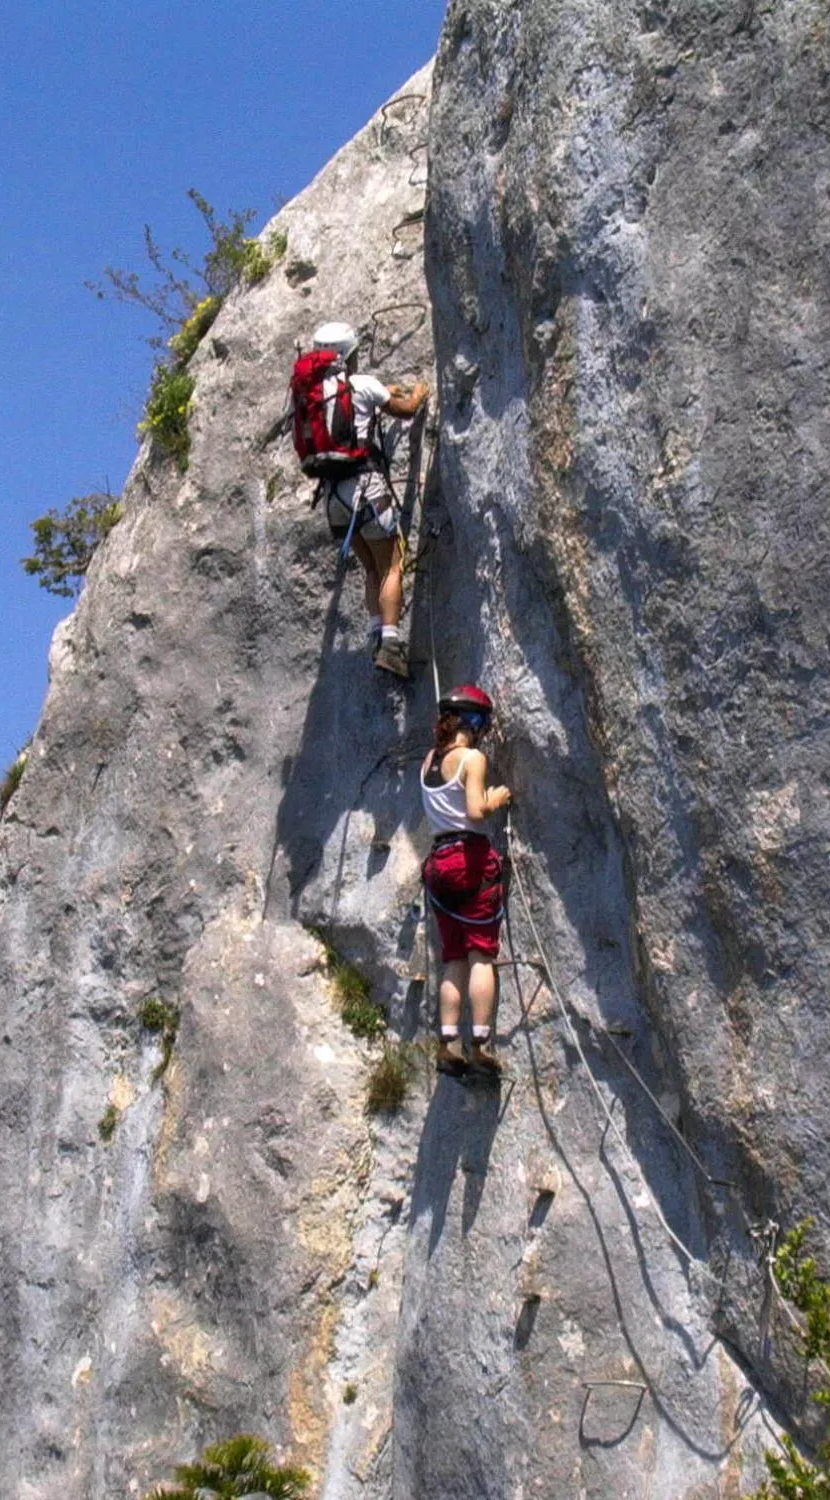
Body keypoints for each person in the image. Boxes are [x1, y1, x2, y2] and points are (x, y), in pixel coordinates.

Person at [298, 321, 429, 678]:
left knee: (371, 567)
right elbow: (404, 409)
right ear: (348, 355)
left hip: (332, 497)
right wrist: (418, 393)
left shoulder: (311, 394)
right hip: (365, 489)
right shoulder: (362, 384)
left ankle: (376, 635)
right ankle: (390, 644)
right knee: (391, 564)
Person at [419, 684, 510, 1078]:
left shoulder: (428, 761)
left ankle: (449, 1042)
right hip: (468, 859)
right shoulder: (471, 758)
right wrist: (497, 798)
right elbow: (475, 811)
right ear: (475, 723)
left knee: (454, 955)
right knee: (481, 954)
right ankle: (482, 1041)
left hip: (438, 862)